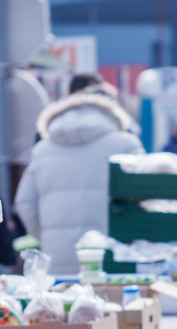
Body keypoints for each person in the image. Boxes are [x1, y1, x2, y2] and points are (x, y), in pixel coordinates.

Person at [13, 74, 145, 274]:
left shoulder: (42, 150)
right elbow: (146, 196)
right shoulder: (126, 143)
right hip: (112, 260)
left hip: (55, 259)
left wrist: (46, 235)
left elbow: (24, 202)